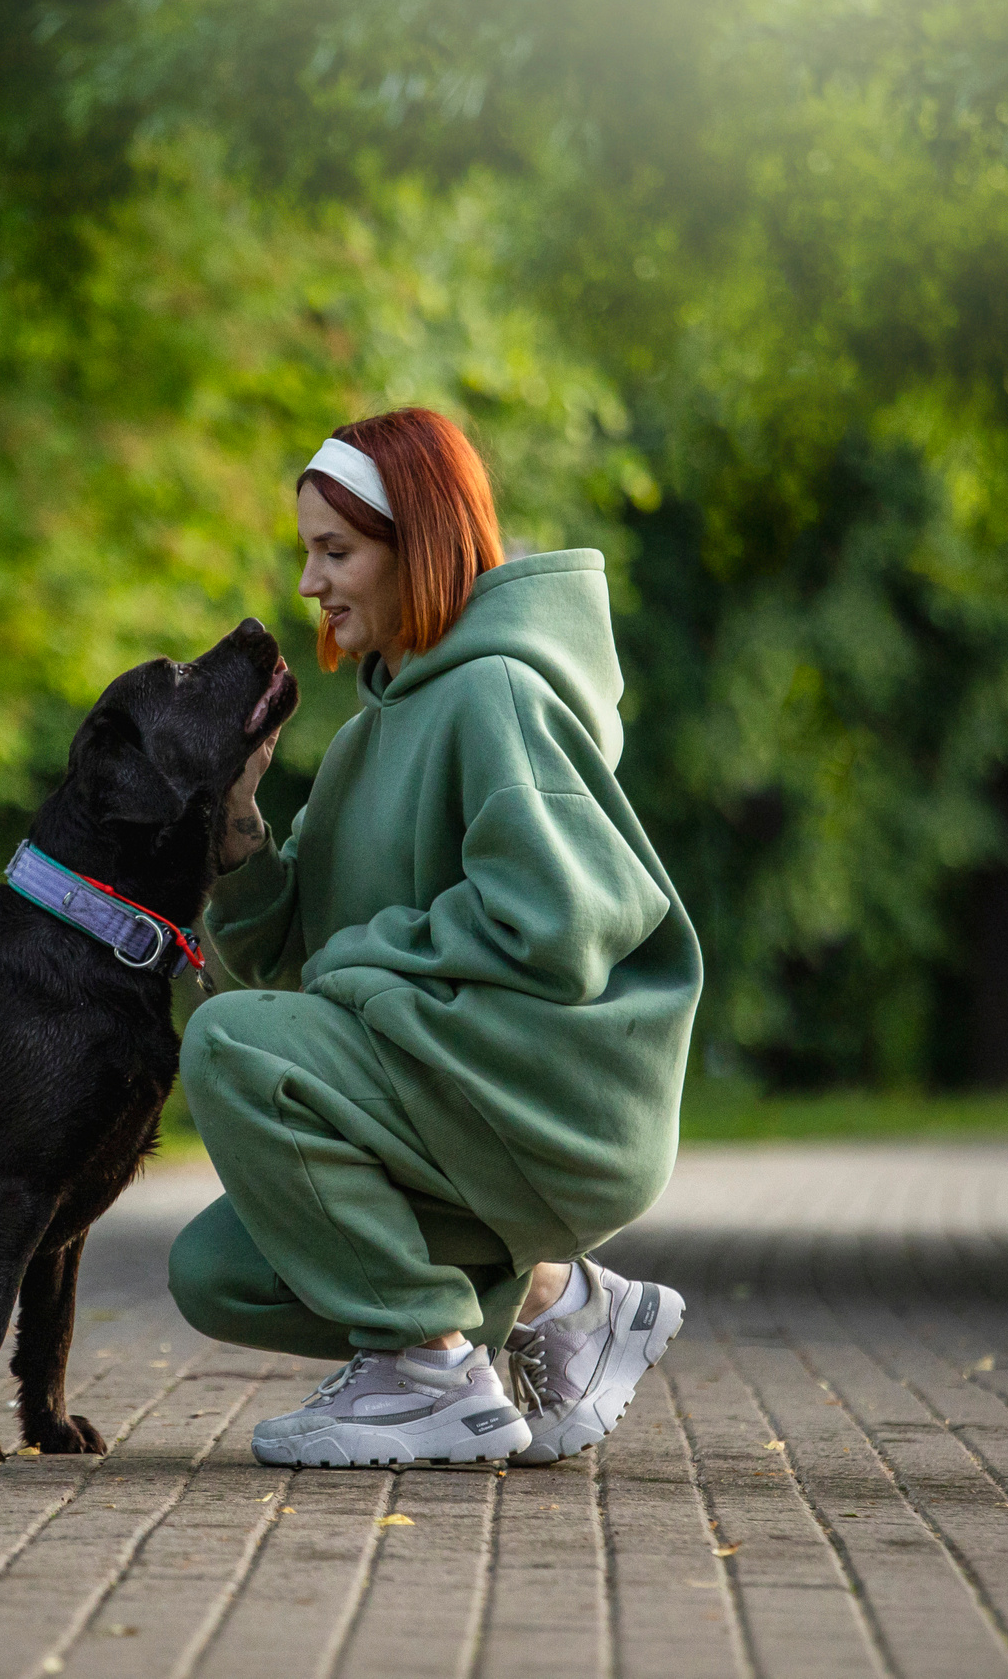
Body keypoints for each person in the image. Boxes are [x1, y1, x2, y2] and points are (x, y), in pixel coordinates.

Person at [169, 407, 703, 1468]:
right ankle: (559, 1301)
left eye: (337, 551)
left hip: (549, 1099)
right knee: (218, 1269)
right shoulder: (379, 727)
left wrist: (351, 973)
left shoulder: (495, 691)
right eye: (307, 553)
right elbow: (286, 955)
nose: (312, 584)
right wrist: (234, 820)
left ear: (417, 544)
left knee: (229, 1043)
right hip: (451, 1094)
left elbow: (563, 920)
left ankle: (427, 1373)